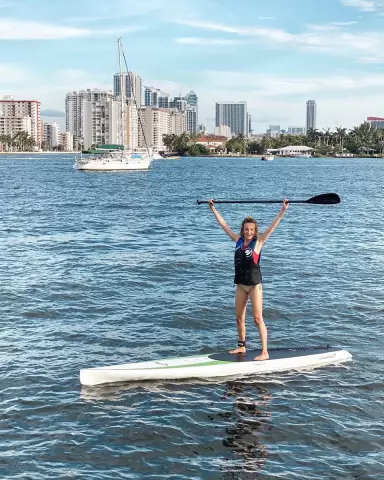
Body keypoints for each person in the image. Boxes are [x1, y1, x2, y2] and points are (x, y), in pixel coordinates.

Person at [208, 199, 289, 361]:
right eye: (246, 229)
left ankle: (265, 352)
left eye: (251, 229)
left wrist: (282, 210)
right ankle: (241, 345)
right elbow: (224, 225)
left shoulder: (258, 242)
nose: (248, 232)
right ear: (243, 230)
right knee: (239, 318)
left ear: (255, 230)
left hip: (254, 286)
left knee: (257, 318)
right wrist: (213, 208)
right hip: (240, 285)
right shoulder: (237, 240)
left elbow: (272, 227)